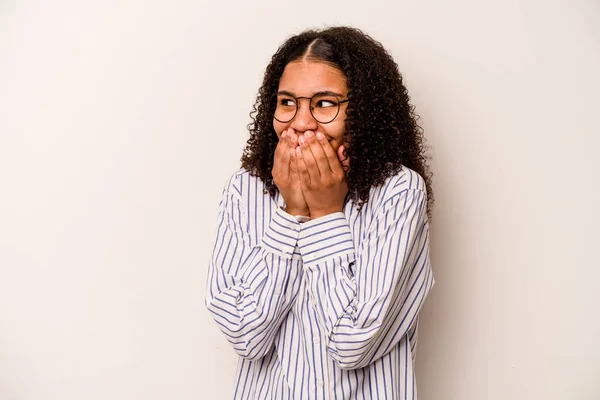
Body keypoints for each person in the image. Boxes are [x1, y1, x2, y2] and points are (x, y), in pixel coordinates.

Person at [206, 26, 434, 399]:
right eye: (287, 102)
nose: (299, 123)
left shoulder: (398, 191)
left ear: (364, 113)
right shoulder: (245, 190)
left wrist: (325, 213)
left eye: (325, 103)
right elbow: (246, 336)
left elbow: (352, 344)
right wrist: (292, 211)